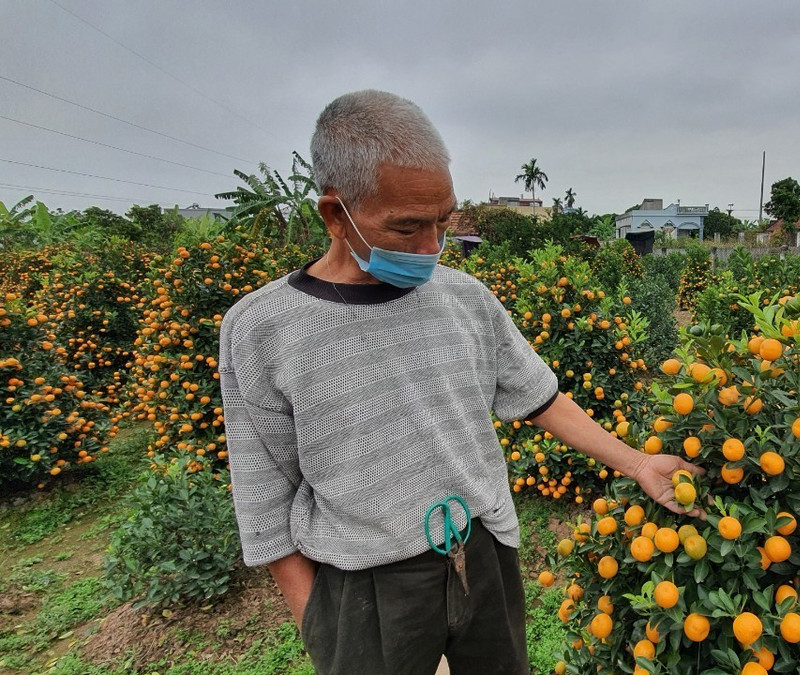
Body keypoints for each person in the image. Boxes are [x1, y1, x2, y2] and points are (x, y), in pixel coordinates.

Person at [218, 89, 702, 675]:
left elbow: (538, 396)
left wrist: (636, 463)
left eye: (443, 222)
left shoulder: (464, 300)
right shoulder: (263, 329)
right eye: (407, 228)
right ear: (334, 215)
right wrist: (319, 623)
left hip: (482, 553)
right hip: (365, 581)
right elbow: (264, 494)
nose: (431, 248)